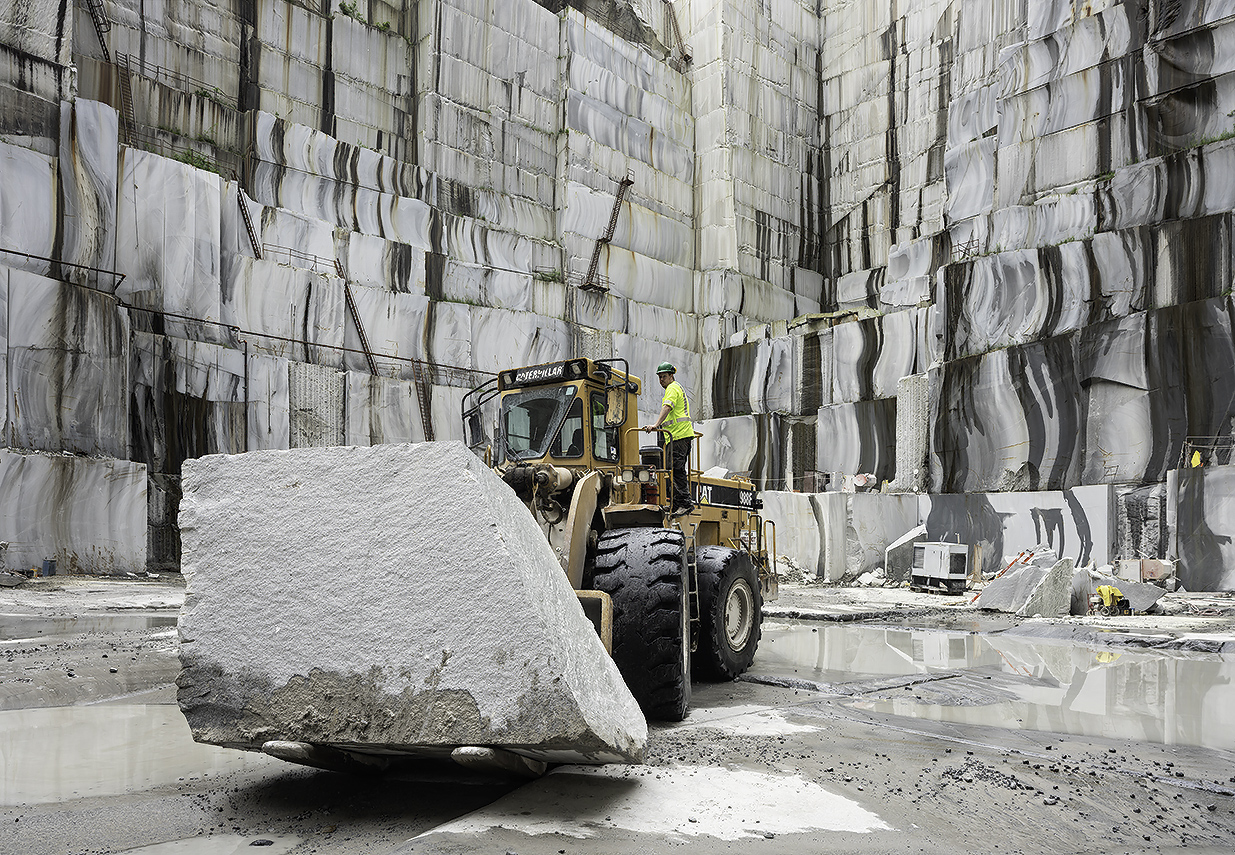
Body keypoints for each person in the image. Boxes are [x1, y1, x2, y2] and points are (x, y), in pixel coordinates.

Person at [641, 362, 694, 517]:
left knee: (677, 470)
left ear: (671, 376)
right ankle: (676, 504)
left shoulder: (672, 388)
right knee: (672, 470)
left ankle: (685, 504)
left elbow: (667, 407)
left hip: (679, 436)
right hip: (677, 437)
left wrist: (655, 425)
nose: (661, 380)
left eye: (664, 376)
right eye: (659, 377)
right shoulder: (675, 388)